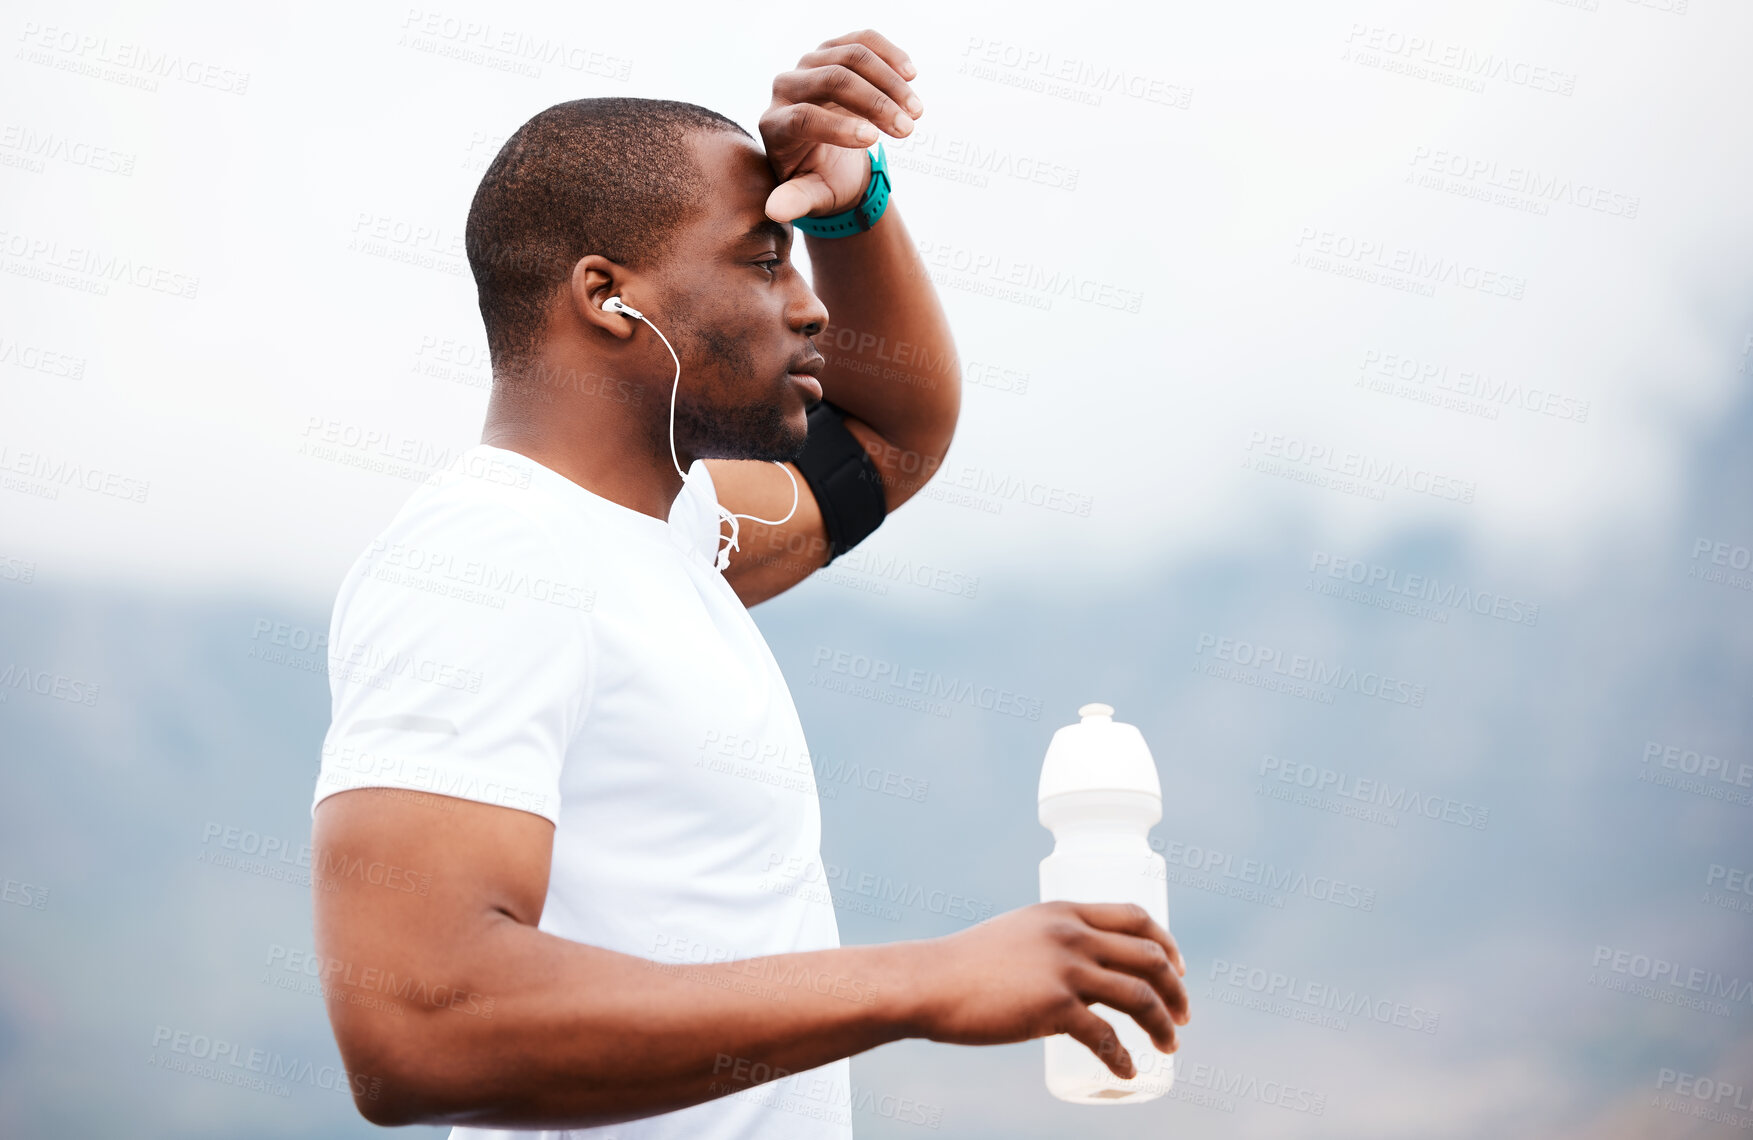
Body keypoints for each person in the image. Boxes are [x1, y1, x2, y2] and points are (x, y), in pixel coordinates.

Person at [309, 29, 1188, 1138]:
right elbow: (415, 1030)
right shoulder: (489, 555)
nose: (813, 305)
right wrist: (921, 982)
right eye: (763, 259)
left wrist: (849, 208)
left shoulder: (672, 539)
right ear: (608, 296)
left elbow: (891, 429)